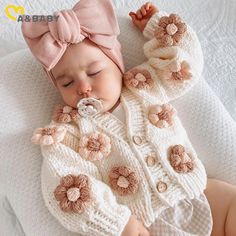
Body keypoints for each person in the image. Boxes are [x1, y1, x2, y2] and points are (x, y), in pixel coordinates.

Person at [22, 0, 236, 235]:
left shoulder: (145, 87)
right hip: (147, 226)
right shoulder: (68, 133)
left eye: (94, 72)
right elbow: (63, 183)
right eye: (67, 82)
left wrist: (157, 28)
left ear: (117, 65)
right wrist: (119, 224)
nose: (83, 87)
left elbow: (185, 64)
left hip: (197, 195)